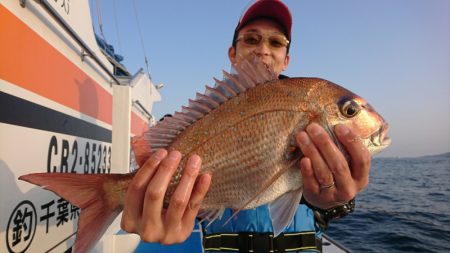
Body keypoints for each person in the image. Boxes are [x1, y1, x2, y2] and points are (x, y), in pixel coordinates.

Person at [121, 1, 371, 252]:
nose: (263, 49)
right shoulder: (193, 122)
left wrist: (332, 201)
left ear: (286, 59)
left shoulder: (305, 112)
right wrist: (160, 214)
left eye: (275, 42)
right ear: (232, 53)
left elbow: (333, 210)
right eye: (251, 39)